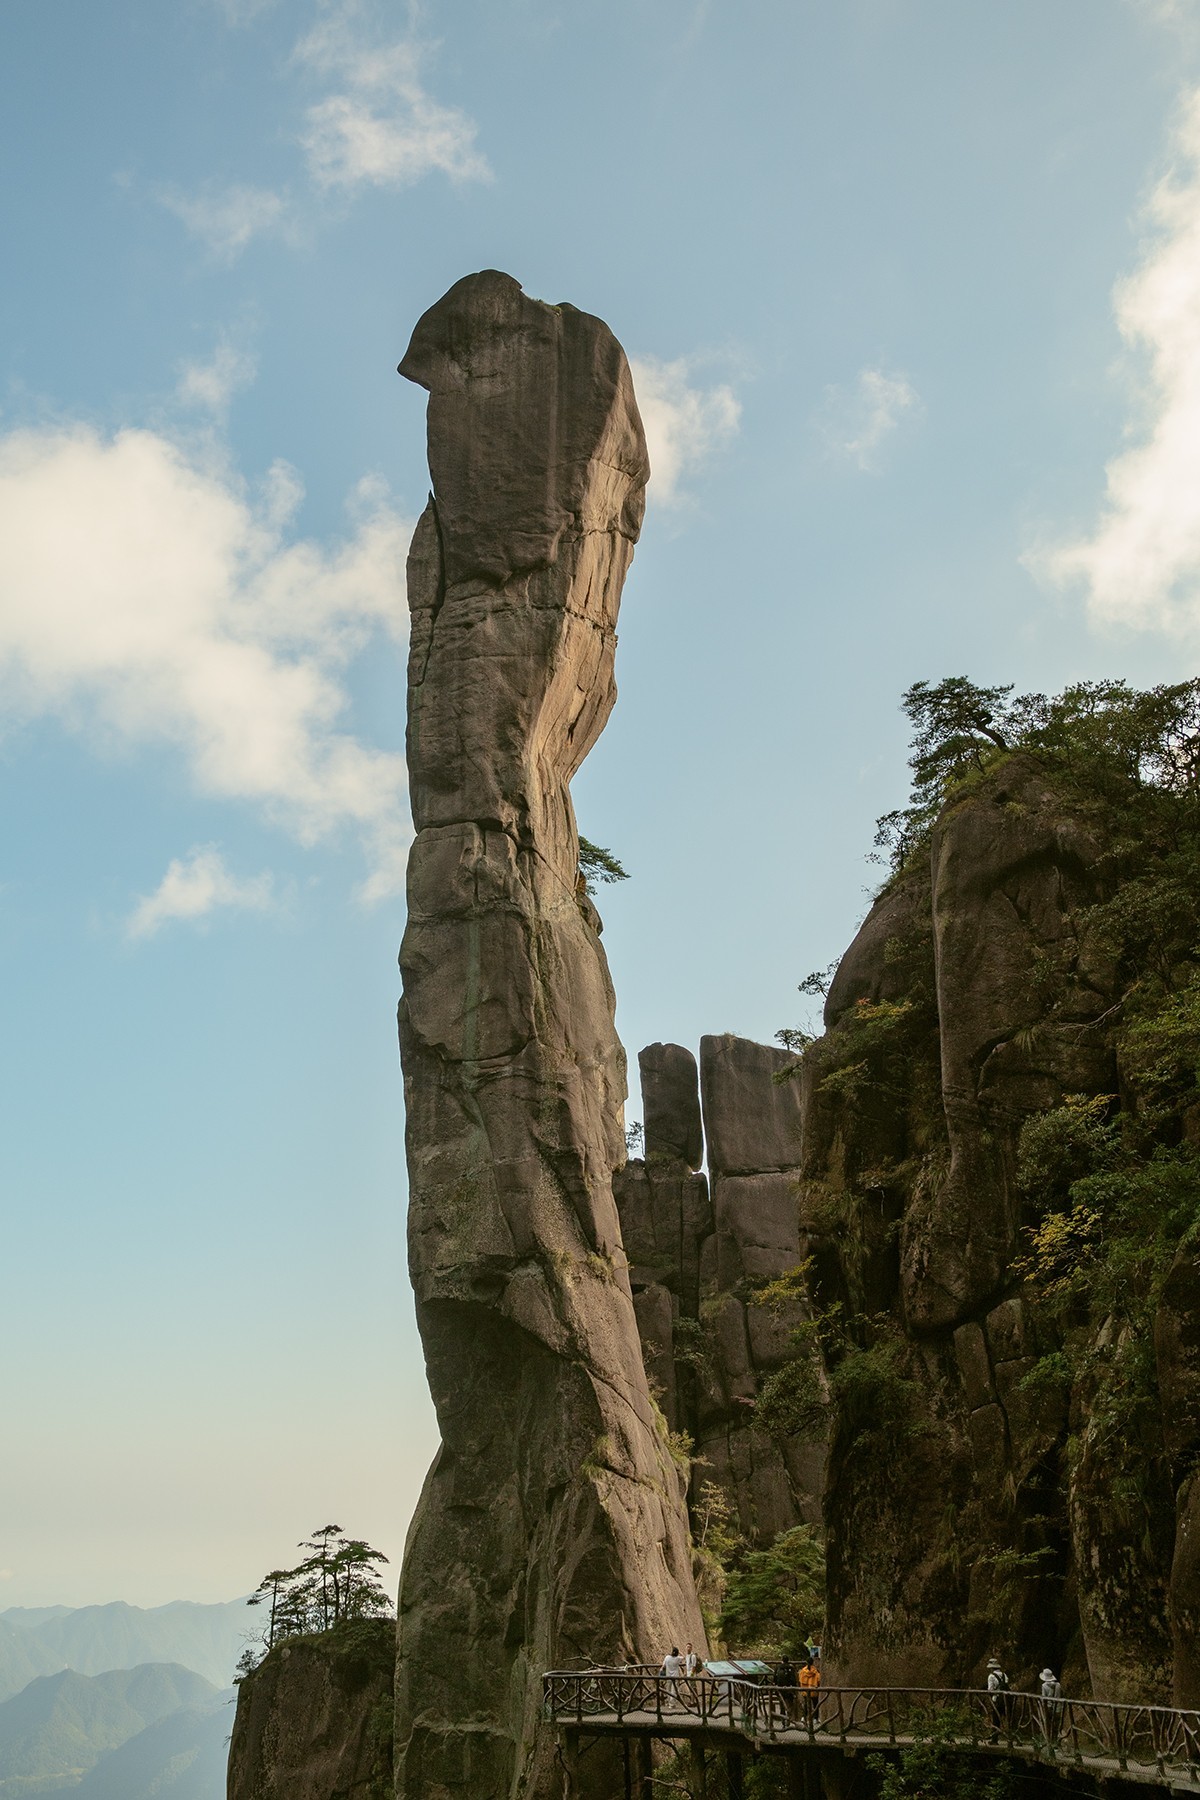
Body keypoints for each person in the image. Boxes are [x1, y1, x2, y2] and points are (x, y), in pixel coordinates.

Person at [986, 1658, 1009, 1741]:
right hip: (1005, 1700)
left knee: (996, 1719)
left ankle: (994, 1739)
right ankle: (1010, 1738)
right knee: (1007, 1718)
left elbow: (990, 1689)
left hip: (996, 1699)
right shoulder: (1004, 1675)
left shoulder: (991, 1676)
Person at [798, 1656, 821, 1728]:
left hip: (805, 1690)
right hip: (813, 1690)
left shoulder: (802, 1671)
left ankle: (803, 1717)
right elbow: (819, 1680)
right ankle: (815, 1718)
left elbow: (800, 1680)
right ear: (813, 1662)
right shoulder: (816, 1671)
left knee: (806, 1704)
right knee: (815, 1704)